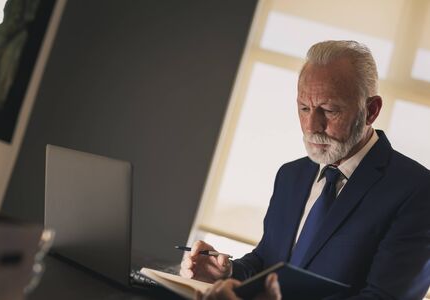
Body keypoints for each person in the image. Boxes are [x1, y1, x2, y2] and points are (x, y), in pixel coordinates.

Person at [180, 40, 430, 299]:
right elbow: (267, 262)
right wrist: (228, 273)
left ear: (371, 111)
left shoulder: (417, 191)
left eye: (329, 110)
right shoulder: (290, 176)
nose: (312, 125)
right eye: (304, 108)